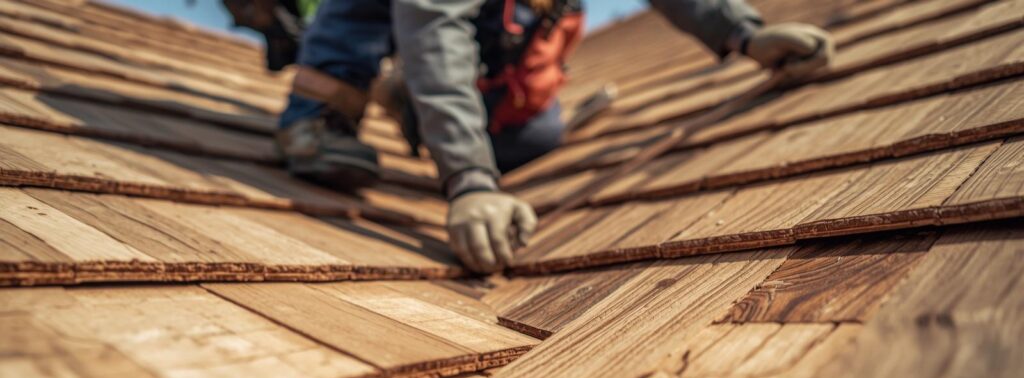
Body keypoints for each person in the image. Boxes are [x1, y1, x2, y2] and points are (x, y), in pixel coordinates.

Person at [275, 0, 835, 273]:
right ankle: (318, 114)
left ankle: (411, 103)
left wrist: (743, 33)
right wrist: (469, 180)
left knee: (540, 135)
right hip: (417, 22)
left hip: (484, 43)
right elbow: (436, 33)